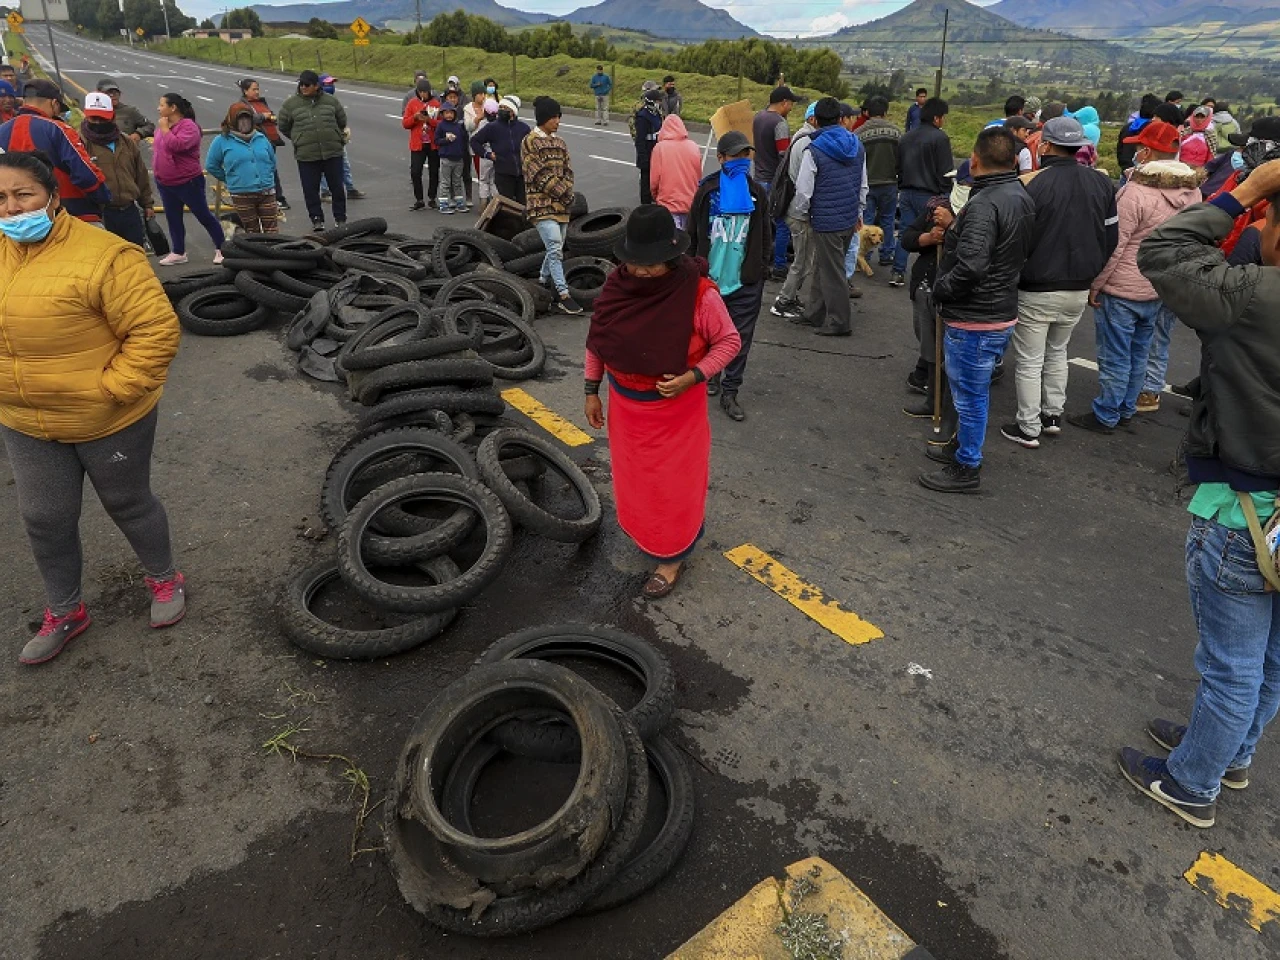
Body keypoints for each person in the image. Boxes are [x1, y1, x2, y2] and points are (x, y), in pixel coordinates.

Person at [1118, 158, 1280, 830]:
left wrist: (1245, 190)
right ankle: (1228, 753)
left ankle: (1191, 783)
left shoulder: (1256, 297)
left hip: (1249, 509)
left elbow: (1164, 251)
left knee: (1231, 665)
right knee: (1272, 659)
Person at [0, 151, 185, 665]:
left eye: (23, 195)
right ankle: (65, 611)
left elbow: (155, 331)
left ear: (53, 197)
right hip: (25, 420)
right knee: (44, 518)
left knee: (128, 503)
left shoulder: (106, 255)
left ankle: (165, 579)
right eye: (0, 198)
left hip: (107, 417)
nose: (11, 209)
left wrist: (111, 390)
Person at [583, 205, 742, 599]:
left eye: (650, 264)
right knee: (636, 483)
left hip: (676, 413)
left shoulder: (699, 294)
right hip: (626, 408)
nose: (640, 271)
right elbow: (598, 340)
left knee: (672, 486)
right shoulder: (617, 287)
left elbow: (729, 341)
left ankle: (672, 557)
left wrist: (694, 376)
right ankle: (648, 535)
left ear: (670, 258)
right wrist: (591, 390)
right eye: (635, 263)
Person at [919, 127, 1034, 493]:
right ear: (1013, 160)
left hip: (976, 315)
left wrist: (941, 290)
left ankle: (967, 465)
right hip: (999, 308)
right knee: (972, 390)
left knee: (969, 396)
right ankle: (960, 448)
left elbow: (971, 265)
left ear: (974, 161)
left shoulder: (984, 204)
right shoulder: (1019, 195)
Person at [1070, 120, 1203, 434]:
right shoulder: (1193, 192)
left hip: (1122, 286)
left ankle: (1106, 413)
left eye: (1140, 147)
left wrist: (1096, 284)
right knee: (1140, 351)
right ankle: (1127, 406)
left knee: (1115, 354)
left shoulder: (1135, 192)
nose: (1137, 152)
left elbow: (1115, 244)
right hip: (1158, 283)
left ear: (1149, 152)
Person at [1000, 117, 1118, 449]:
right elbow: (1112, 237)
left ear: (1047, 145)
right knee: (1057, 351)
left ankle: (1028, 426)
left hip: (1036, 285)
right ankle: (1053, 416)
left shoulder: (1031, 184)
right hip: (1079, 285)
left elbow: (1016, 240)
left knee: (1030, 359)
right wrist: (1092, 273)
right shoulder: (1102, 184)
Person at [689, 131, 771, 421]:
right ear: (721, 158)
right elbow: (692, 234)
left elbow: (765, 235)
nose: (741, 160)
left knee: (740, 340)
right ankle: (711, 373)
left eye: (745, 155)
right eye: (735, 155)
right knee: (707, 334)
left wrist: (760, 270)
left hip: (745, 283)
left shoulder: (757, 193)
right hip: (709, 282)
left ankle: (730, 392)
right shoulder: (707, 192)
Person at [791, 97, 865, 337]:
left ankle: (839, 321)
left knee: (832, 271)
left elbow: (804, 190)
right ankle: (814, 312)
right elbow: (863, 184)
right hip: (848, 216)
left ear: (816, 120)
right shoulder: (857, 145)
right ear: (840, 118)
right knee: (824, 265)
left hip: (825, 218)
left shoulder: (814, 149)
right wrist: (859, 211)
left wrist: (803, 213)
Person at [0, 79, 110, 223]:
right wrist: (104, 197)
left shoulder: (2, 130)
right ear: (54, 103)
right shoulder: (58, 129)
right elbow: (85, 174)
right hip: (68, 214)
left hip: (12, 217)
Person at [522, 97, 581, 316]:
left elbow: (568, 171)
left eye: (558, 117)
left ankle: (542, 281)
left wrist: (566, 192)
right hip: (540, 205)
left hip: (561, 207)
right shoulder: (530, 141)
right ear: (543, 118)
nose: (557, 121)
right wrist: (564, 193)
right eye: (554, 117)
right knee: (555, 248)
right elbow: (537, 174)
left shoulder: (561, 143)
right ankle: (563, 295)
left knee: (555, 248)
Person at [152, 93, 224, 265]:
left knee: (203, 215)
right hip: (165, 181)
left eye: (162, 105)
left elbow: (178, 146)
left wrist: (165, 130)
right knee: (173, 218)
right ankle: (178, 252)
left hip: (187, 181)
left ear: (173, 108)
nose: (158, 108)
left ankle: (222, 248)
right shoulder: (163, 125)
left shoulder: (189, 127)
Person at [79, 92, 154, 248]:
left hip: (129, 212)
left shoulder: (127, 142)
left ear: (112, 116)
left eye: (102, 118)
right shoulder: (79, 144)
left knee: (135, 254)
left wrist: (147, 205)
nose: (98, 123)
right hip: (100, 215)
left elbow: (140, 175)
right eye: (93, 118)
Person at [892, 96, 952, 288]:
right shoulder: (940, 138)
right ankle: (928, 277)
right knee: (933, 236)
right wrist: (946, 194)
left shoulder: (906, 137)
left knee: (906, 232)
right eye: (943, 117)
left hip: (906, 192)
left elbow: (898, 167)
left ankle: (898, 272)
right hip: (931, 195)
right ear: (936, 118)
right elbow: (946, 171)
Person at [278, 70, 348, 232]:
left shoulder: (331, 101)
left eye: (307, 84)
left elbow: (341, 121)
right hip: (307, 154)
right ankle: (316, 218)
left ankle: (340, 218)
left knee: (337, 187)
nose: (303, 87)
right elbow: (283, 126)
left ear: (316, 85)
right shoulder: (290, 104)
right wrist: (299, 138)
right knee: (310, 189)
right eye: (301, 84)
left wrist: (334, 135)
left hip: (332, 151)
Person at [204, 103, 279, 235]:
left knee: (272, 231)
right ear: (233, 121)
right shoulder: (222, 140)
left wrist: (267, 177)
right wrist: (230, 179)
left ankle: (272, 249)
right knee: (252, 232)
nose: (244, 123)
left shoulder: (261, 138)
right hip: (241, 193)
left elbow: (272, 161)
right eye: (240, 120)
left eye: (247, 119)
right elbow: (211, 165)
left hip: (266, 191)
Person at [753, 85, 798, 283]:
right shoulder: (780, 123)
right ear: (783, 102)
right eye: (791, 104)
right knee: (782, 224)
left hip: (758, 178)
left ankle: (759, 261)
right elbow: (783, 154)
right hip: (774, 181)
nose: (791, 108)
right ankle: (779, 266)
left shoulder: (758, 117)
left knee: (761, 224)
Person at [856, 95, 901, 270]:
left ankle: (864, 254)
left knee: (866, 221)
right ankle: (886, 253)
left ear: (867, 112)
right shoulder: (895, 132)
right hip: (889, 182)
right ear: (885, 112)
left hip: (867, 183)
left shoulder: (859, 133)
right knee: (888, 219)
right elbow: (901, 158)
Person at [238, 77, 289, 210]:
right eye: (254, 89)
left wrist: (272, 117)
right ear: (245, 91)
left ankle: (275, 197)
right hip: (258, 142)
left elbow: (271, 115)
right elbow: (246, 119)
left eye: (258, 89)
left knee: (271, 168)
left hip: (271, 141)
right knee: (268, 170)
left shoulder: (261, 102)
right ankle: (276, 198)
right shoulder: (242, 105)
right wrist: (264, 116)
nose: (257, 92)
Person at [471, 95, 529, 205]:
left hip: (522, 174)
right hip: (503, 174)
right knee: (507, 206)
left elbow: (531, 146)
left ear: (513, 111)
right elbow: (474, 141)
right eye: (500, 107)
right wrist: (487, 154)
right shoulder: (492, 127)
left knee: (523, 206)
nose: (502, 110)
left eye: (505, 108)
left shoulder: (523, 128)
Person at [650, 113, 701, 231]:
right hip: (690, 203)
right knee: (687, 238)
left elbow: (654, 181)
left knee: (672, 239)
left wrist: (656, 196)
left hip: (668, 204)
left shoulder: (659, 148)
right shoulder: (693, 146)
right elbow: (698, 176)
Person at [317, 75, 364, 201]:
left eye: (332, 84)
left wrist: (344, 130)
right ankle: (325, 191)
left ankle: (350, 188)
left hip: (337, 138)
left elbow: (340, 119)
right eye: (327, 84)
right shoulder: (317, 102)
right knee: (324, 166)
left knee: (344, 164)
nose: (331, 86)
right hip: (323, 139)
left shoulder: (333, 101)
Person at [402, 78, 439, 211]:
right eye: (421, 92)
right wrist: (415, 117)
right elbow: (405, 123)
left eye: (425, 92)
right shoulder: (412, 103)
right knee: (415, 171)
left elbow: (441, 123)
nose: (423, 94)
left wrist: (429, 120)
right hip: (418, 143)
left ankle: (432, 197)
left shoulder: (435, 104)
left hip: (433, 143)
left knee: (434, 171)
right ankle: (419, 199)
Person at [433, 98, 469, 214]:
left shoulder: (458, 126)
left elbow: (464, 140)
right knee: (445, 182)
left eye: (451, 113)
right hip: (446, 158)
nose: (449, 115)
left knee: (457, 182)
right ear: (442, 114)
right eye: (446, 113)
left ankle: (459, 203)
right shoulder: (441, 126)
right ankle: (443, 204)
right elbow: (436, 141)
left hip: (458, 158)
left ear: (454, 114)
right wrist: (446, 140)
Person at [95, 78, 154, 142]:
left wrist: (139, 134)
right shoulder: (93, 112)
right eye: (109, 93)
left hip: (124, 147)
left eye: (116, 93)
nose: (113, 96)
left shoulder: (129, 111)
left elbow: (150, 126)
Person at [633, 85, 664, 205]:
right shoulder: (643, 117)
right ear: (651, 101)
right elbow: (639, 140)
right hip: (647, 151)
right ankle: (645, 204)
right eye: (658, 101)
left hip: (656, 152)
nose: (659, 103)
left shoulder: (657, 114)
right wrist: (643, 157)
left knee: (656, 178)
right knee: (646, 180)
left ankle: (653, 198)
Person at [466, 91, 496, 209]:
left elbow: (475, 140)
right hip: (496, 154)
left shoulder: (483, 124)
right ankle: (495, 205)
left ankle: (483, 204)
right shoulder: (498, 124)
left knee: (483, 180)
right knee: (494, 180)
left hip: (485, 155)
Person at [1118, 94, 1160, 171]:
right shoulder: (1154, 129)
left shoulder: (1128, 127)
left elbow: (1120, 150)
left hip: (1127, 170)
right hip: (1146, 171)